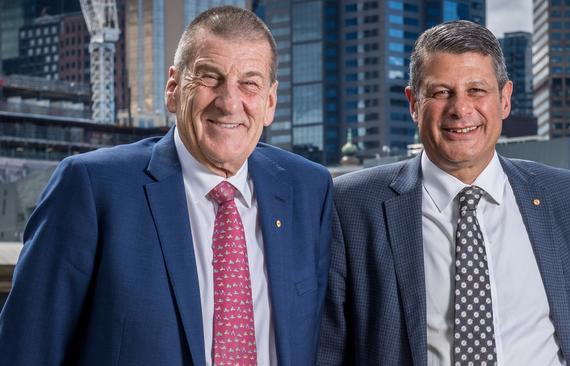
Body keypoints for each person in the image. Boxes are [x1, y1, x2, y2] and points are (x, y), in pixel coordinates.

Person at [0, 6, 332, 366]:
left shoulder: (309, 189)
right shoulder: (92, 188)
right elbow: (25, 350)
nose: (228, 102)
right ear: (173, 89)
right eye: (209, 77)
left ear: (269, 102)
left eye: (249, 83)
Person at [318, 20, 570, 365]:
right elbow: (326, 352)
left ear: (505, 99)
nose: (461, 109)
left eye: (477, 90)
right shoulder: (352, 205)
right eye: (440, 92)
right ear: (414, 103)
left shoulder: (568, 197)